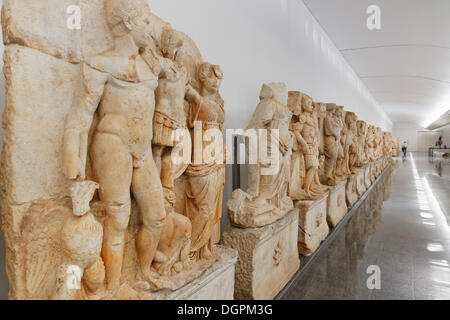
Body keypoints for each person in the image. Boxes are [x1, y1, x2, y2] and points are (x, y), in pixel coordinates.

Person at [63, 0, 166, 290]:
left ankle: (142, 271)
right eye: (146, 21)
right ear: (129, 22)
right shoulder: (100, 63)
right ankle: (113, 286)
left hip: (142, 150)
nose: (151, 28)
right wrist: (73, 160)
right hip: (112, 144)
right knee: (118, 216)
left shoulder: (150, 66)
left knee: (156, 215)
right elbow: (81, 114)